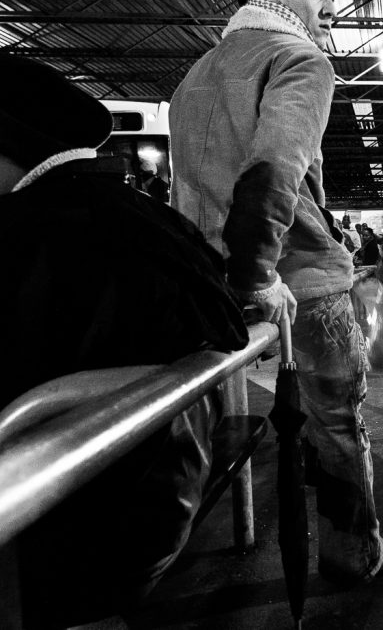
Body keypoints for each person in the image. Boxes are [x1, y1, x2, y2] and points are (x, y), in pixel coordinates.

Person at [168, 0, 383, 585]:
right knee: (339, 419)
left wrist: (234, 276)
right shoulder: (300, 59)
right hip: (297, 276)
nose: (328, 12)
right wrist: (260, 271)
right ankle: (354, 552)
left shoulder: (196, 73)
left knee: (239, 418)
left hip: (209, 280)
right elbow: (276, 169)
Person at [0, 55, 249, 627]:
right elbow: (230, 327)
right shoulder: (158, 225)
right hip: (167, 497)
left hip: (64, 536)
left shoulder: (20, 240)